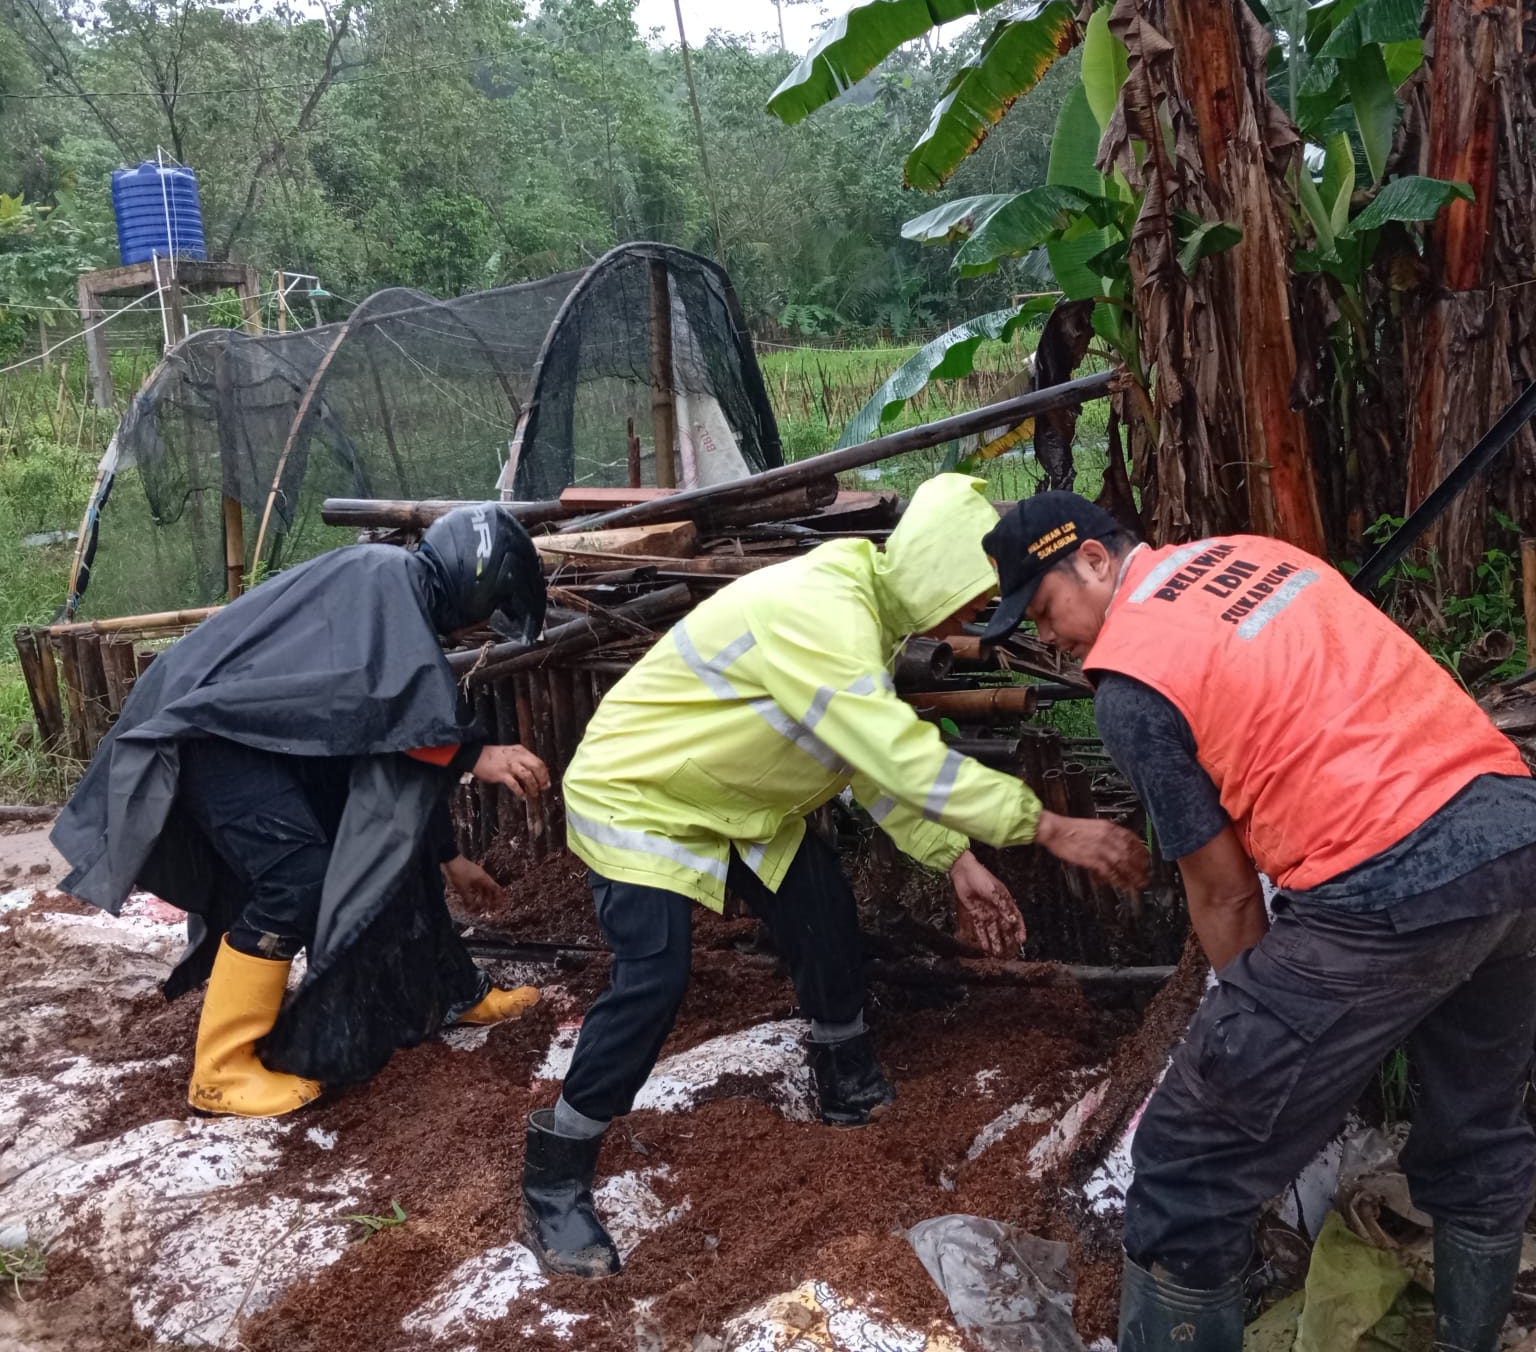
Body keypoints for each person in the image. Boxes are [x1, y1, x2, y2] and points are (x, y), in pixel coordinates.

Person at [520, 473, 1149, 1279]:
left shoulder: (863, 619)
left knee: (823, 917)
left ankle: (845, 1083)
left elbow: (867, 756)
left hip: (738, 805)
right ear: (936, 575)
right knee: (653, 976)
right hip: (644, 795)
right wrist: (1048, 825)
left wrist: (952, 857)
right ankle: (558, 1170)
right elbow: (890, 749)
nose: (971, 623)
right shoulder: (820, 610)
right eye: (972, 600)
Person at [978, 492, 1536, 1352]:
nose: (1050, 640)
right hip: (1513, 833)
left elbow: (1228, 893)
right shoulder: (1259, 557)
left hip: (1385, 884)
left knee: (1186, 1166)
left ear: (1093, 559)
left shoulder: (1132, 680)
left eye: (1045, 611)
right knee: (1479, 1125)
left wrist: (1252, 1043)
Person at [53, 504, 553, 1117]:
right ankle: (222, 1070)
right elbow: (396, 714)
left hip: (252, 734)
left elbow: (394, 765)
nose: (477, 631)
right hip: (210, 734)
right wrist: (477, 752)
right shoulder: (385, 580)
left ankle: (450, 992)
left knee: (378, 850)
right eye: (488, 611)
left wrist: (449, 858)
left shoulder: (394, 600)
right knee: (297, 881)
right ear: (476, 585)